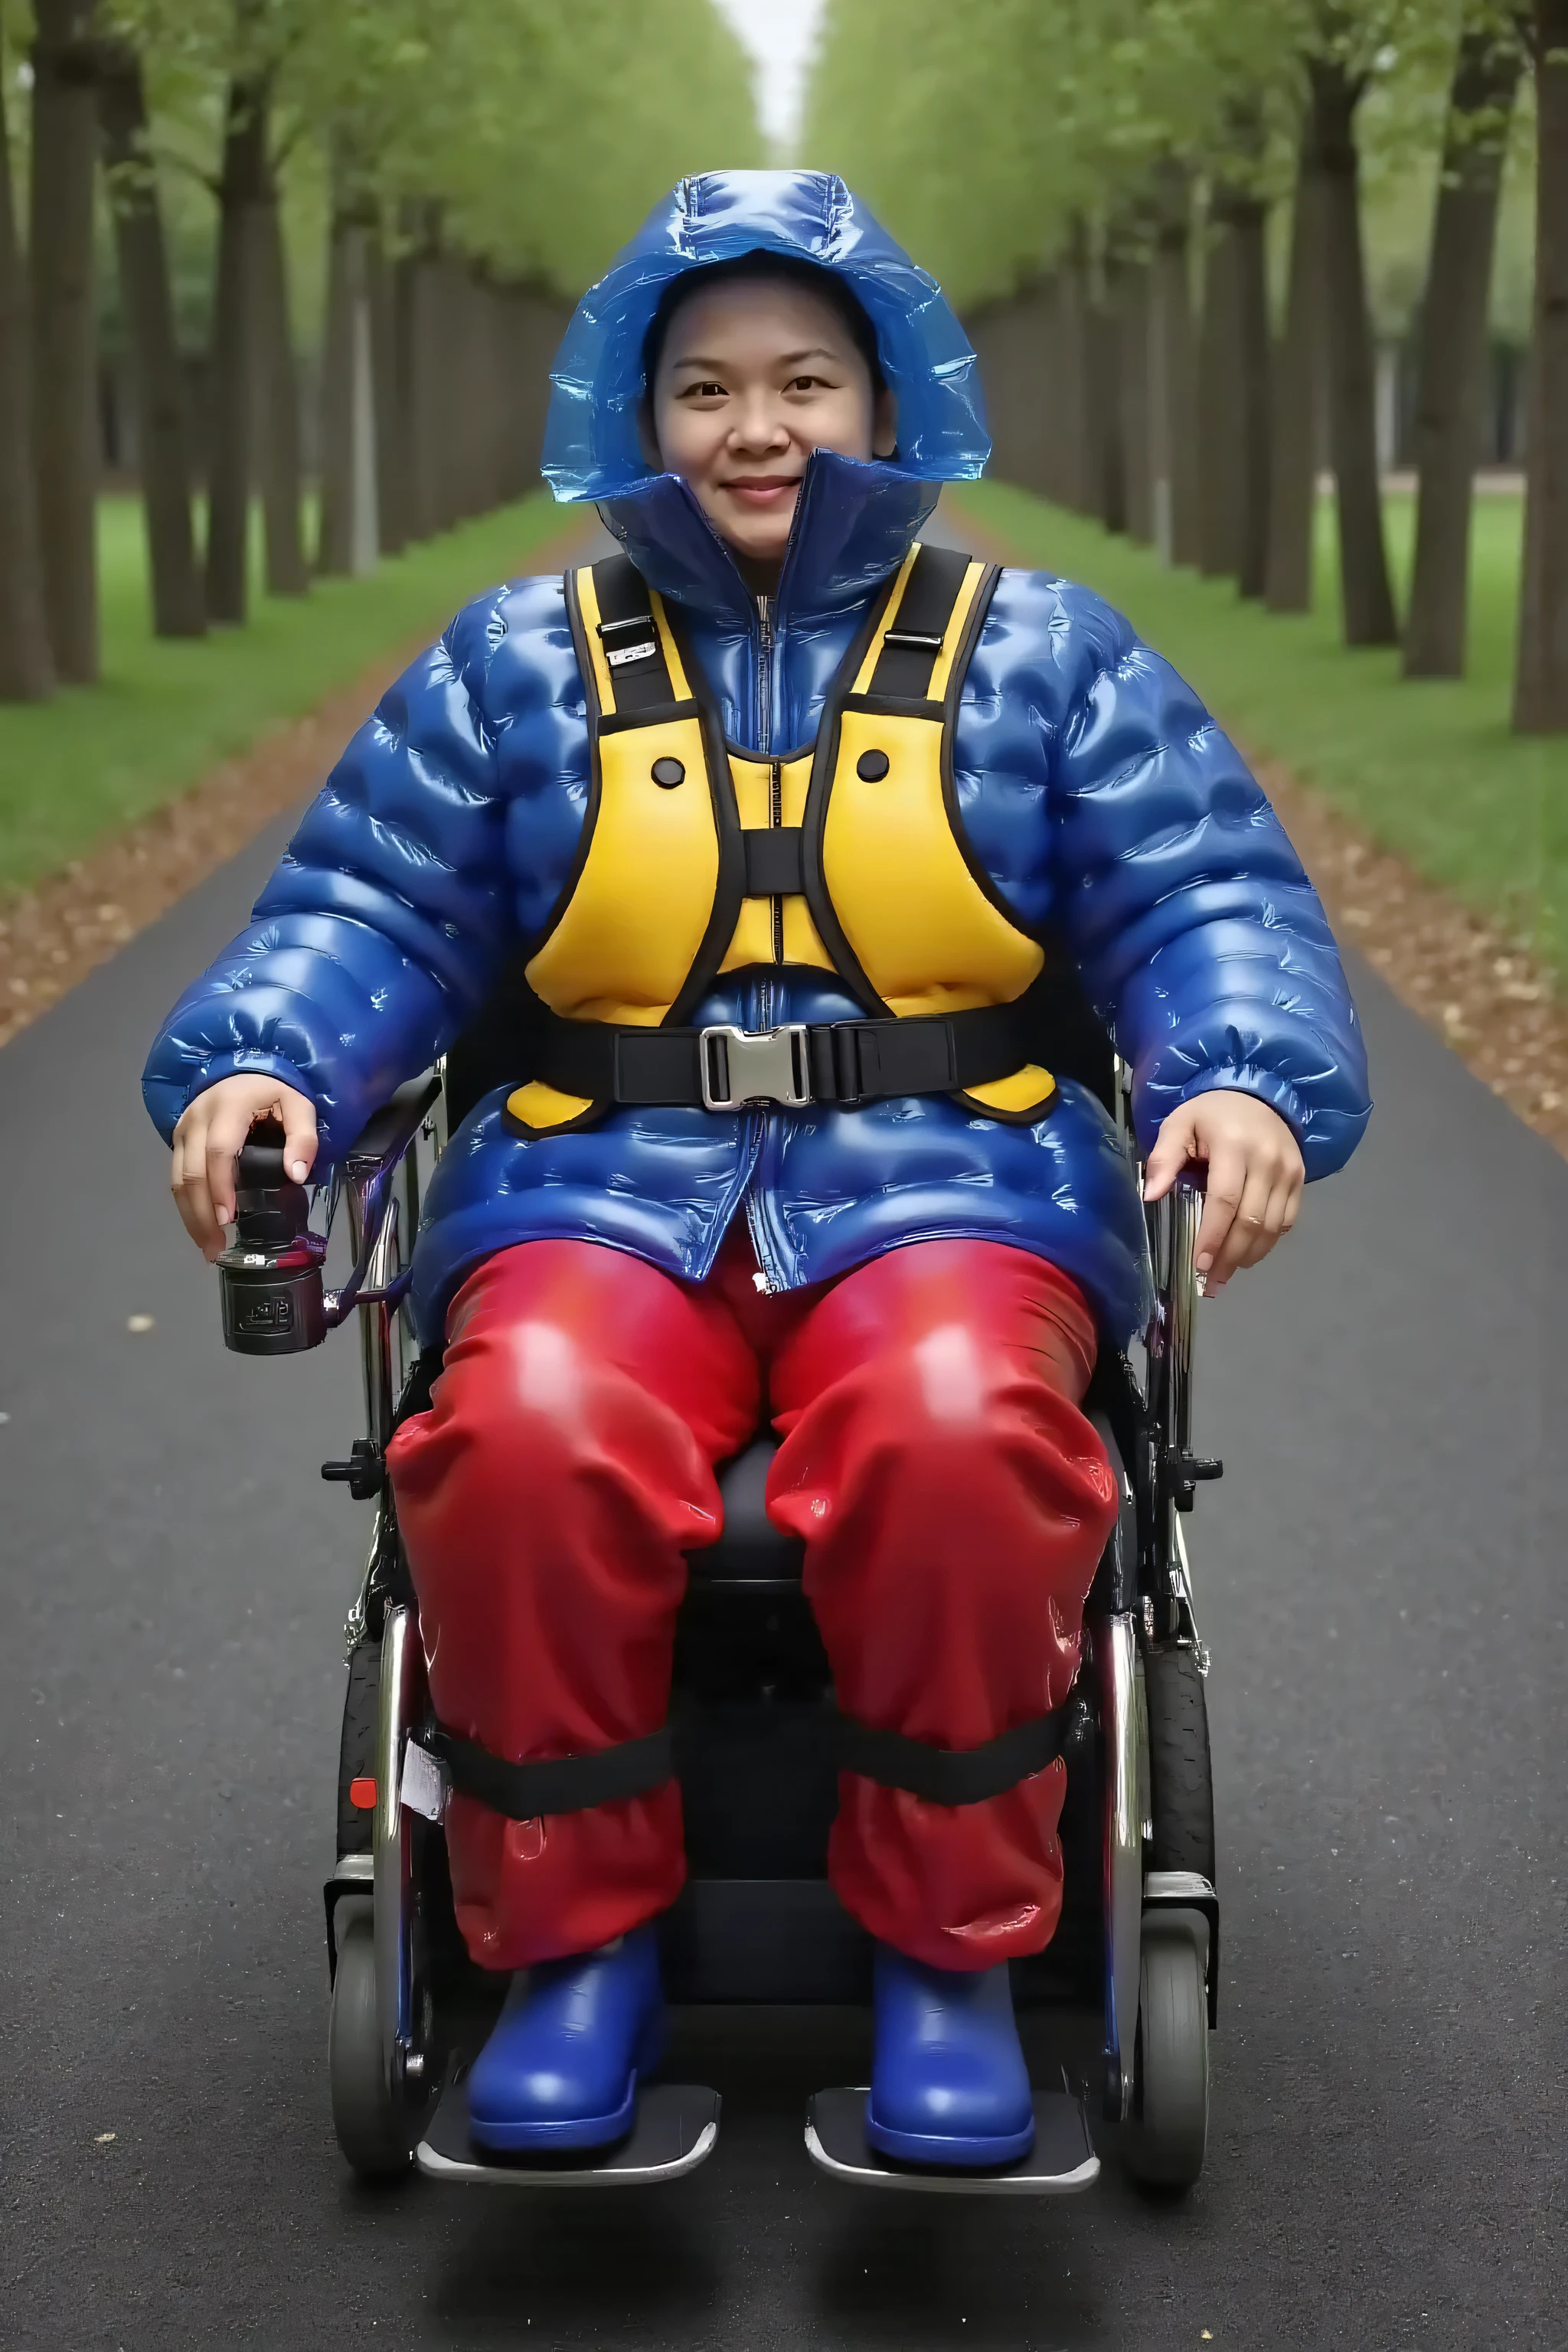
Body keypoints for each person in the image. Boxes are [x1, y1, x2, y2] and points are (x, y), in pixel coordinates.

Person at [144, 172, 1370, 2171]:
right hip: (591, 1195)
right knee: (521, 1430)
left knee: (965, 1428)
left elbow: (1208, 898)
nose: (759, 425)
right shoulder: (513, 667)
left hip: (958, 1193)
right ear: (642, 418)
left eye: (808, 378)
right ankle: (575, 1955)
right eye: (707, 387)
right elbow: (363, 914)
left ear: (891, 404)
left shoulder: (1041, 656)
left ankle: (951, 1956)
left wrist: (1235, 1079)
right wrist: (268, 1062)